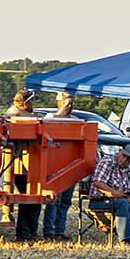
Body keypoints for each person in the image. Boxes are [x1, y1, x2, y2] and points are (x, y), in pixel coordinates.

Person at [89, 142, 130, 246]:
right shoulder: (107, 162)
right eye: (124, 156)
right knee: (123, 203)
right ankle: (124, 241)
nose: (125, 160)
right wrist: (114, 193)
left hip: (124, 201)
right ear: (119, 151)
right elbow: (97, 182)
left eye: (129, 159)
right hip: (101, 201)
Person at [4, 90, 42, 243]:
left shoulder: (19, 115)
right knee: (29, 200)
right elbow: (14, 114)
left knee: (33, 201)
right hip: (23, 167)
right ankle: (24, 232)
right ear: (25, 103)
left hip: (27, 166)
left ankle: (30, 231)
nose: (33, 105)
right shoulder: (15, 115)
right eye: (32, 102)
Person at [40, 92, 77, 242]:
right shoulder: (50, 117)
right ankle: (49, 231)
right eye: (67, 102)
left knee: (65, 202)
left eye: (72, 102)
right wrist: (63, 109)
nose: (70, 105)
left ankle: (59, 230)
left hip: (70, 166)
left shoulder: (75, 120)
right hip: (54, 168)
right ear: (58, 102)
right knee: (54, 200)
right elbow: (51, 122)